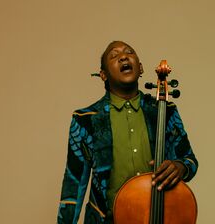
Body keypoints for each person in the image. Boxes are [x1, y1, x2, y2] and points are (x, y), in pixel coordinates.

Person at [57, 41, 198, 224]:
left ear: (140, 68)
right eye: (114, 55)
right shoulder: (85, 120)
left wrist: (180, 167)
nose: (123, 56)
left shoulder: (165, 110)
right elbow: (73, 185)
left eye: (129, 52)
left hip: (159, 216)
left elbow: (190, 161)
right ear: (103, 75)